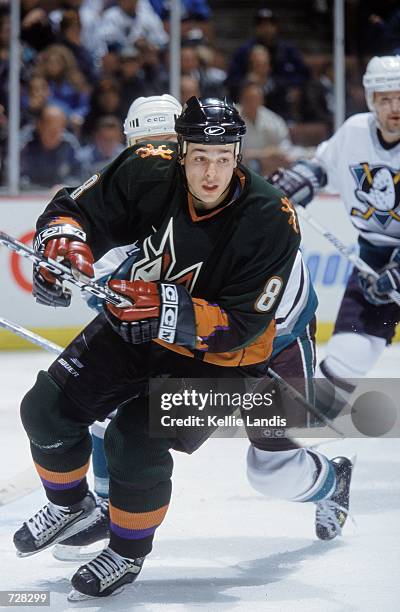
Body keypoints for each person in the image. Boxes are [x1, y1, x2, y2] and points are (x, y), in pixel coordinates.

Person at [14, 96, 352, 600]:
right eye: (198, 157)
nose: (210, 172)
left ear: (238, 154)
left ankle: (128, 550)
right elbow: (75, 211)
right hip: (157, 327)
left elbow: (243, 328)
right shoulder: (148, 170)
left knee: (255, 461)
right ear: (178, 151)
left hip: (242, 354)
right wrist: (61, 246)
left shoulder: (270, 219)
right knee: (45, 408)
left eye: (222, 157)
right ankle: (75, 506)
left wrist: (164, 309)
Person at [268, 55, 400, 416]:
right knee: (348, 353)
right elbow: (323, 166)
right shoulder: (356, 131)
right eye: (385, 98)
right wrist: (302, 178)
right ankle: (310, 424)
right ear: (372, 100)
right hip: (374, 256)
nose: (394, 107)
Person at [20, 104, 84, 189]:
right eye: (51, 130)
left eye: (59, 128)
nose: (56, 134)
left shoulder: (69, 144)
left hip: (60, 198)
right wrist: (41, 190)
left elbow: (80, 176)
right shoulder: (25, 143)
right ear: (39, 125)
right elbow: (14, 179)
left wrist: (65, 187)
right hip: (28, 198)